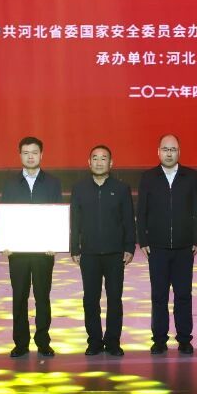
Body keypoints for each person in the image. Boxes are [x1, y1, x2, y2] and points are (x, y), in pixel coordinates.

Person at [136, 134, 197, 355]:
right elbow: (141, 211)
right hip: (157, 247)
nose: (169, 153)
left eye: (173, 149)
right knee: (159, 296)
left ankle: (184, 339)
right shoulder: (148, 177)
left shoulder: (191, 176)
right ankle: (159, 339)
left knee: (183, 295)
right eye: (165, 149)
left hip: (184, 247)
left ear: (179, 152)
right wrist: (143, 240)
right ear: (158, 152)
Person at [69, 144, 136, 356]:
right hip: (88, 254)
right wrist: (74, 247)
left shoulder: (121, 188)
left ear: (111, 163)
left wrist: (129, 247)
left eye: (103, 158)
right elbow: (75, 221)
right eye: (95, 158)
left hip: (115, 253)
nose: (99, 162)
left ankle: (113, 341)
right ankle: (94, 341)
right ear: (89, 162)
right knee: (90, 299)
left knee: (114, 299)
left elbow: (128, 220)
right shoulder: (79, 188)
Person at [0, 136, 63, 358]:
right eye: (26, 153)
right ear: (20, 155)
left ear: (41, 155)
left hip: (44, 251)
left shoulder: (53, 183)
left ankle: (43, 341)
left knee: (42, 296)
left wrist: (55, 241)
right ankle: (21, 343)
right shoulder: (10, 184)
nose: (30, 157)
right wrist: (5, 242)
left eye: (34, 152)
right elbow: (5, 215)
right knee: (19, 297)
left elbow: (57, 214)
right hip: (17, 252)